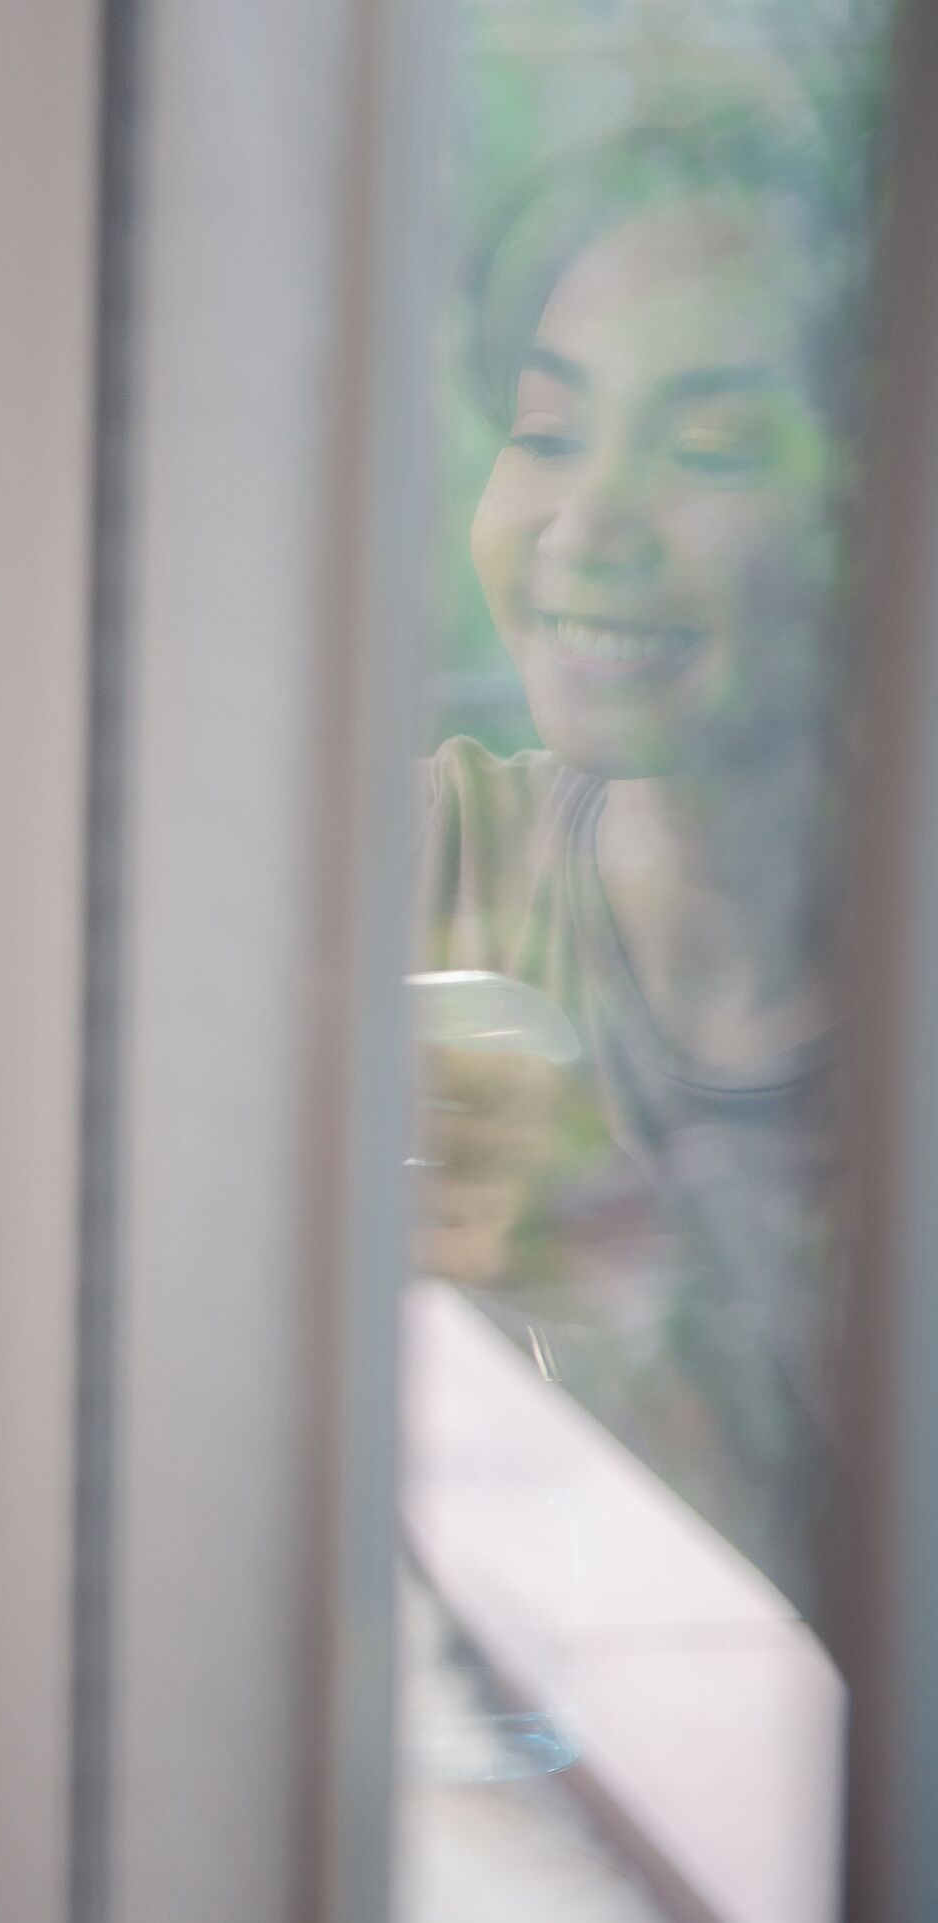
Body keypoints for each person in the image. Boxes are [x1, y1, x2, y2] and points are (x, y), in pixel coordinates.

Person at [414, 114, 868, 1614]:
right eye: (548, 433)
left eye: (710, 449)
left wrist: (603, 1260)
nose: (589, 523)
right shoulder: (439, 854)